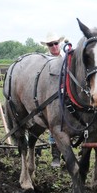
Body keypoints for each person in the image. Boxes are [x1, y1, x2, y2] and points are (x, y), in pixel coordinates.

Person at [40, 32, 65, 167]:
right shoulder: (45, 61)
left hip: (68, 95)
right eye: (51, 44)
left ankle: (67, 154)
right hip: (51, 96)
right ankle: (56, 157)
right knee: (53, 126)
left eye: (56, 43)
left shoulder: (67, 56)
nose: (54, 46)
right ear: (48, 47)